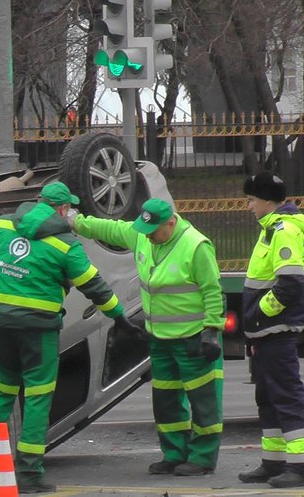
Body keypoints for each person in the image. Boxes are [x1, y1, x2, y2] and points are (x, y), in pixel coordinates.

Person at [0, 182, 144, 494]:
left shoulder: (3, 225)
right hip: (38, 331)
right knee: (37, 398)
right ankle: (29, 475)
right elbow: (94, 285)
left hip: (0, 325)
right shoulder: (66, 245)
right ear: (63, 209)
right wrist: (120, 316)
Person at [71, 198, 224, 476]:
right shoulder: (143, 235)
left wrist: (212, 330)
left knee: (203, 400)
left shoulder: (196, 245)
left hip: (192, 338)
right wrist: (76, 222)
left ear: (171, 222)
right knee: (165, 400)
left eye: (154, 231)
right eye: (146, 230)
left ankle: (203, 458)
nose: (149, 236)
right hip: (160, 339)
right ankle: (174, 453)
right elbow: (111, 229)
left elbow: (212, 290)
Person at [237, 172, 304, 488]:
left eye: (251, 200)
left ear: (267, 201)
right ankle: (274, 463)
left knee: (286, 397)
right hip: (266, 333)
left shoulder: (283, 231)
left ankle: (300, 468)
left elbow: (290, 285)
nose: (249, 206)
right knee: (268, 398)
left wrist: (258, 314)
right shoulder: (271, 230)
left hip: (275, 331)